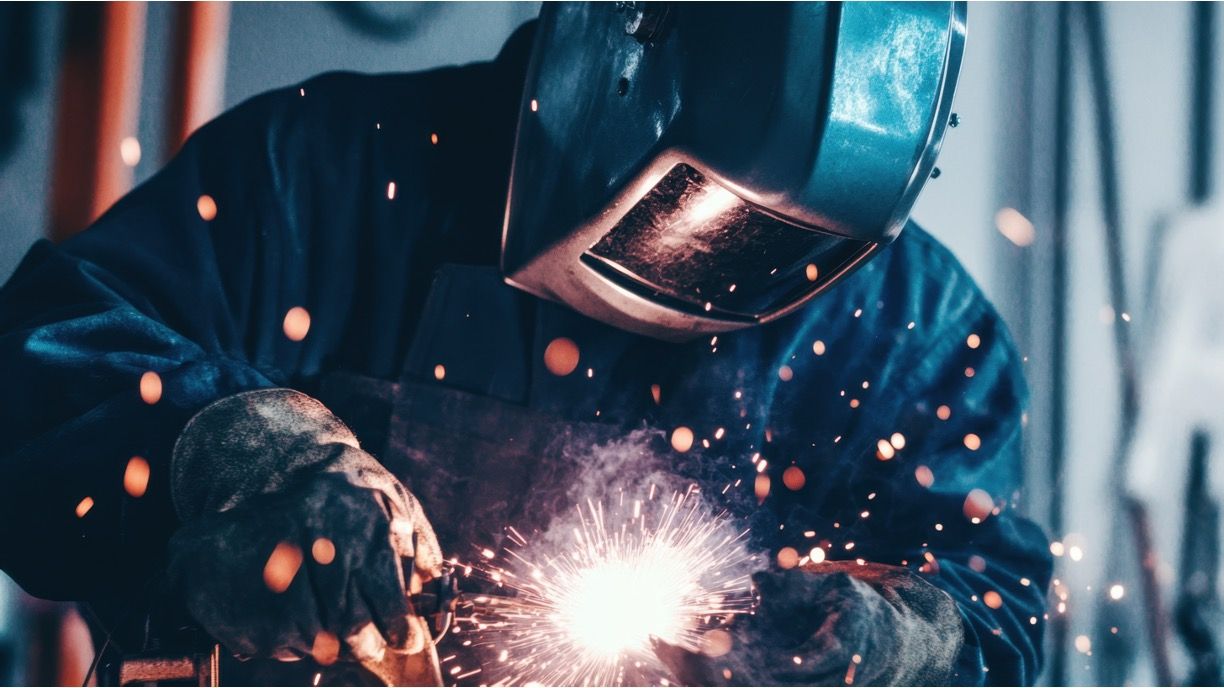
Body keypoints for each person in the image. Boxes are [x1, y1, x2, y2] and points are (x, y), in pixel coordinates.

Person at [0, 4, 1051, 686]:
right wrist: (228, 450)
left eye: (792, 251)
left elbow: (997, 618)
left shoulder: (911, 325)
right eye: (700, 212)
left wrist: (899, 643)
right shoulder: (328, 172)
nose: (728, 277)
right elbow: (38, 359)